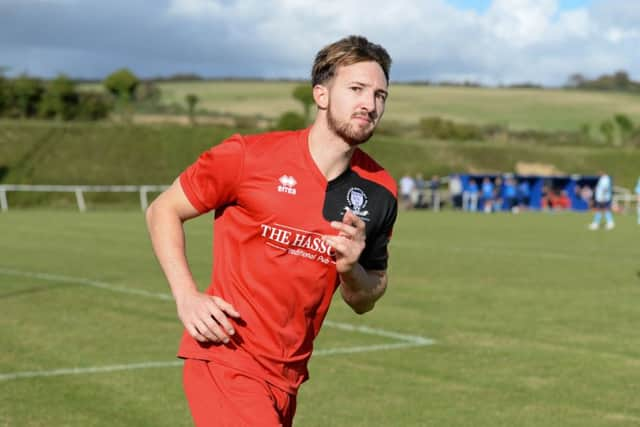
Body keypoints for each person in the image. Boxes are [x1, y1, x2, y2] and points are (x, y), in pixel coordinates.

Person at [145, 35, 397, 427]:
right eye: (357, 89)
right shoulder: (248, 157)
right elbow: (163, 209)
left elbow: (367, 295)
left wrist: (350, 269)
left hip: (287, 378)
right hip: (226, 359)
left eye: (380, 94)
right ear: (321, 95)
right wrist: (186, 296)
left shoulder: (380, 190)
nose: (370, 103)